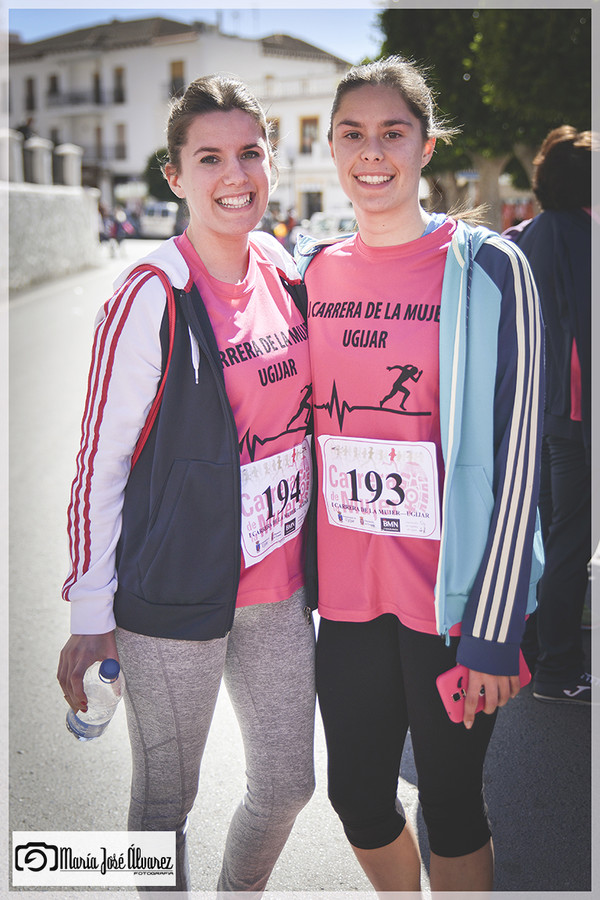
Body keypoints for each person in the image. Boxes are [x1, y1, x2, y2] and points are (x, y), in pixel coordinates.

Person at [57, 74, 316, 896]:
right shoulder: (149, 294)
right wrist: (90, 614)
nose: (234, 173)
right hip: (172, 596)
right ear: (175, 176)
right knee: (166, 801)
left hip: (276, 589)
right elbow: (99, 461)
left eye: (249, 152)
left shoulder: (280, 266)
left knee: (287, 785)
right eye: (209, 157)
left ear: (270, 160)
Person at [295, 56, 544, 893]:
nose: (373, 151)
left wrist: (495, 628)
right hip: (352, 602)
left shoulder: (493, 269)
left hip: (453, 604)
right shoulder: (311, 275)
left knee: (452, 803)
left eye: (392, 132)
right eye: (353, 134)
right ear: (332, 148)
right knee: (358, 796)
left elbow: (520, 457)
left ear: (426, 145)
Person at [504, 126, 595, 703]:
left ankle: (537, 651)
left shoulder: (521, 237)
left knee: (535, 537)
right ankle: (560, 668)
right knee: (567, 543)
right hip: (574, 419)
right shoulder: (584, 238)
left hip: (527, 416)